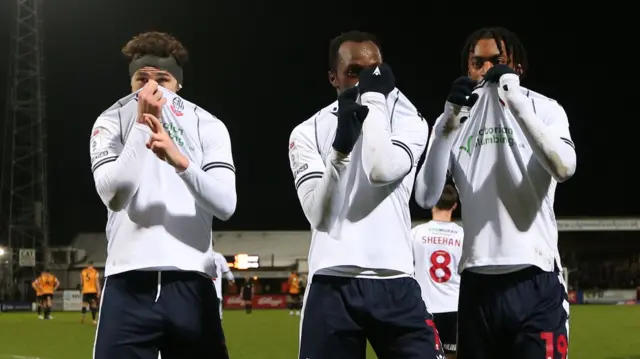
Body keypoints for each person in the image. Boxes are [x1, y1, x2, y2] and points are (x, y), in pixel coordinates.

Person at [415, 27, 575, 359]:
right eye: (477, 63)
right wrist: (446, 124)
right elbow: (426, 196)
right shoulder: (454, 119)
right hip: (477, 281)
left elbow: (563, 168)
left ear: (517, 66)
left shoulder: (544, 109)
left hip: (535, 275)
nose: (487, 70)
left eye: (497, 61)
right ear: (467, 69)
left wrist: (514, 99)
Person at [288, 31, 443, 359]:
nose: (367, 80)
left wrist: (373, 104)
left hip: (396, 279)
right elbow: (319, 216)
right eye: (354, 72)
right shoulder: (307, 131)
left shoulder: (409, 119)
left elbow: (380, 170)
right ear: (334, 77)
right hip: (332, 281)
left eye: (375, 71)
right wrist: (340, 153)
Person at [89, 31, 235, 359]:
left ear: (178, 84)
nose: (151, 89)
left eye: (162, 79)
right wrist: (142, 124)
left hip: (192, 282)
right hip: (127, 283)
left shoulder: (207, 125)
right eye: (141, 78)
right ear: (131, 83)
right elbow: (114, 195)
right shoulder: (109, 121)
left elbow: (226, 204)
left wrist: (182, 163)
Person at [412, 185, 464, 359]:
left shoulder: (416, 234)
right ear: (455, 205)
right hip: (454, 308)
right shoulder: (463, 235)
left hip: (426, 308)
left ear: (432, 203)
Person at [213, 250, 234, 320]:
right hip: (216, 293)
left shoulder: (199, 256)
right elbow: (227, 272)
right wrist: (231, 280)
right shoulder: (219, 256)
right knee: (218, 318)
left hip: (201, 294)